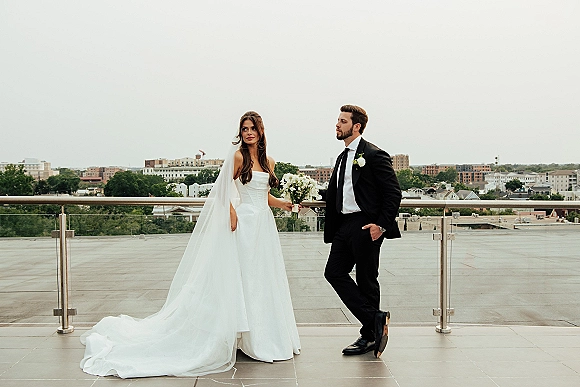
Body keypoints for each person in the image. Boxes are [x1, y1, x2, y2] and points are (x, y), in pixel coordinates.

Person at [80, 111, 300, 378]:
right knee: (241, 278)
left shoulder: (269, 161)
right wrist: (231, 210)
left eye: (253, 128)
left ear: (261, 131)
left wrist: (286, 204)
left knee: (260, 279)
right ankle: (239, 334)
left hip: (263, 227)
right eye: (244, 129)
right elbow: (221, 190)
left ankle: (260, 336)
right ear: (240, 132)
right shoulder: (238, 157)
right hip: (243, 225)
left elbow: (264, 196)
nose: (249, 133)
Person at [324, 104, 401, 358]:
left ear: (356, 126)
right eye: (337, 120)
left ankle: (369, 336)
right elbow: (340, 191)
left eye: (342, 121)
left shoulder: (375, 155)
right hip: (344, 225)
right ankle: (375, 320)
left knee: (367, 280)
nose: (337, 124)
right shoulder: (342, 156)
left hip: (366, 226)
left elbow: (393, 194)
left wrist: (381, 225)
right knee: (333, 272)